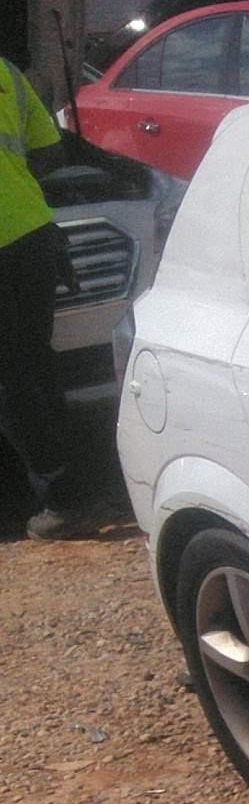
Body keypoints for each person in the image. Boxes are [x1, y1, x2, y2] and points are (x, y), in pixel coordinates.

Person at [1, 52, 80, 540]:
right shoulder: (6, 71)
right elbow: (50, 151)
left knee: (9, 374)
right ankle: (69, 475)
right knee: (35, 358)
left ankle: (55, 495)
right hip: (32, 233)